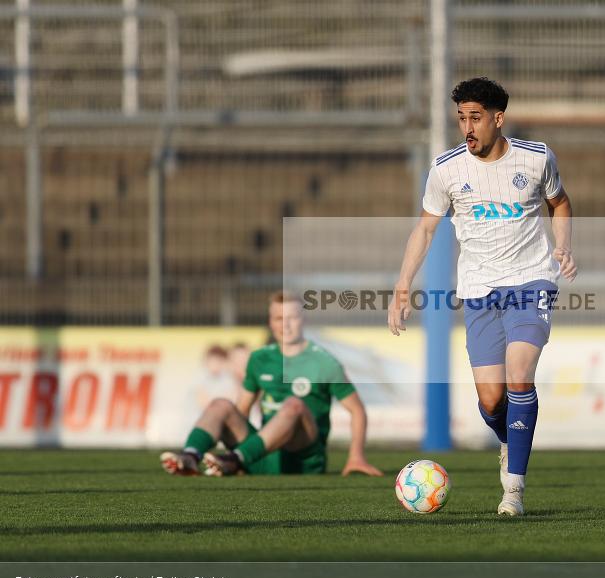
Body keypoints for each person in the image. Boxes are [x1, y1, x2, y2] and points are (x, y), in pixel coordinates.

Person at [388, 77, 577, 516]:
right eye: (461, 119)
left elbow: (560, 203)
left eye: (475, 118)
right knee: (492, 400)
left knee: (519, 372)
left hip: (531, 281)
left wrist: (563, 245)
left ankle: (514, 489)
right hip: (478, 290)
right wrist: (402, 286)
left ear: (498, 118)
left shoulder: (536, 158)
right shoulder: (447, 169)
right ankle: (509, 442)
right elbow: (426, 227)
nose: (467, 128)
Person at [161, 291, 383, 477]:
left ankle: (235, 459)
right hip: (261, 456)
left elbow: (357, 410)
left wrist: (356, 457)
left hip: (303, 462)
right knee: (220, 404)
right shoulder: (259, 359)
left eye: (292, 318)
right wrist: (237, 440)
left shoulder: (324, 362)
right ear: (270, 322)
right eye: (278, 318)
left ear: (303, 319)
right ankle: (190, 456)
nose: (285, 325)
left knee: (294, 405)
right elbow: (241, 411)